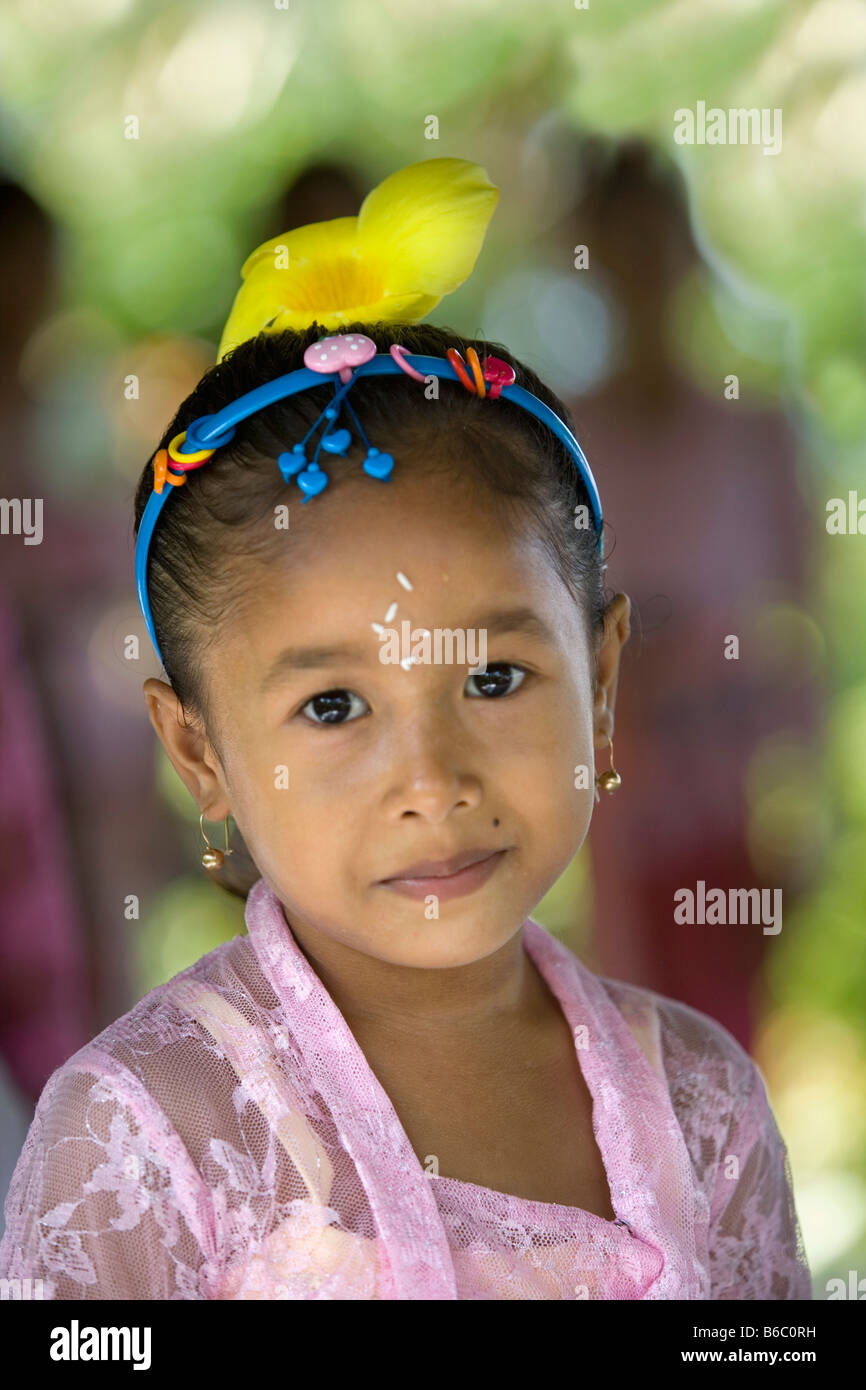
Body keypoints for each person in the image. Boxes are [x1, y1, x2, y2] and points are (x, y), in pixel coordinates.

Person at [0, 157, 811, 1300]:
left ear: (601, 683)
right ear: (199, 752)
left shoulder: (704, 1105)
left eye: (492, 678)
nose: (431, 779)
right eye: (332, 706)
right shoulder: (145, 1132)